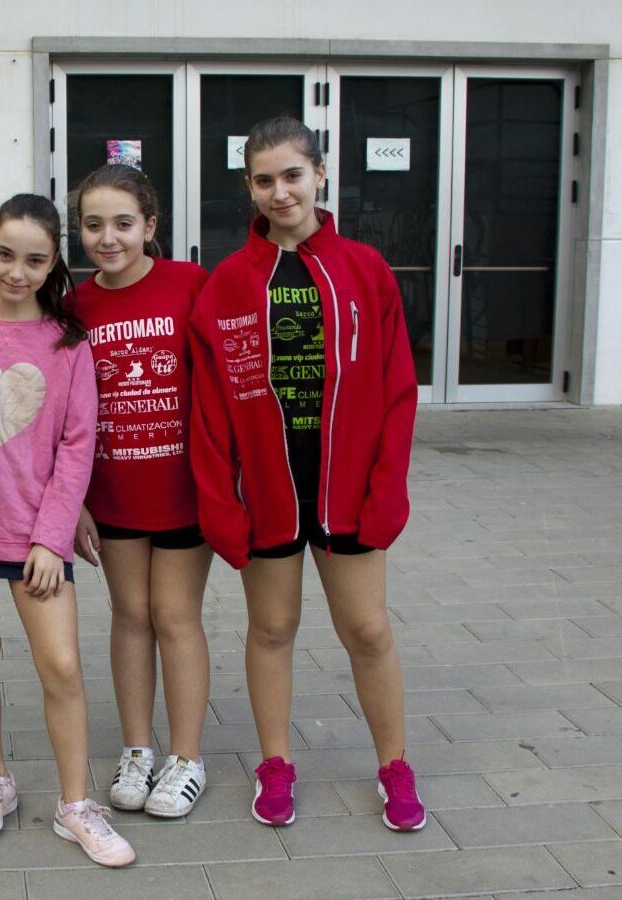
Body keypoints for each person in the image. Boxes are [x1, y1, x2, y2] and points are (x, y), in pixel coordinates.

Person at [187, 118, 423, 832]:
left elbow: (397, 390)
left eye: (292, 175)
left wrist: (389, 490)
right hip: (268, 494)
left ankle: (395, 766)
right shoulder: (228, 284)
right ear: (249, 189)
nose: (280, 191)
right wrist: (220, 506)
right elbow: (210, 410)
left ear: (320, 175)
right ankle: (276, 763)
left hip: (349, 491)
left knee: (370, 631)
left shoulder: (365, 269)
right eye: (264, 180)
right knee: (272, 630)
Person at [0, 194, 133, 867]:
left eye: (34, 260)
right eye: (5, 255)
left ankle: (75, 805)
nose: (17, 272)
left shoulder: (69, 341)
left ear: (52, 264)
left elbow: (77, 445)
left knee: (61, 666)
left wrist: (49, 537)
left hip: (34, 532)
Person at [69, 164, 214, 817]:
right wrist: (71, 502)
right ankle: (138, 749)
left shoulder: (189, 284)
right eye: (94, 224)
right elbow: (61, 413)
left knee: (174, 617)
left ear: (150, 227)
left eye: (123, 223)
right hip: (114, 492)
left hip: (185, 490)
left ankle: (186, 757)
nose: (108, 237)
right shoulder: (74, 307)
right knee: (130, 616)